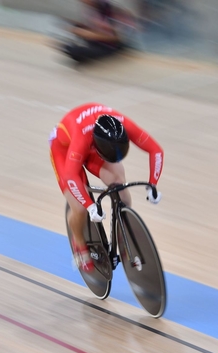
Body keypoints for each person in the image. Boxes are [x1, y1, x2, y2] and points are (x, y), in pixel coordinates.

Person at [49, 103, 164, 272]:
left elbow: (156, 150)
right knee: (79, 208)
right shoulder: (81, 137)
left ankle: (122, 236)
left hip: (93, 146)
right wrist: (90, 206)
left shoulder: (122, 124)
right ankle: (79, 243)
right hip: (64, 150)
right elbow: (70, 176)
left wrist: (152, 183)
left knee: (120, 188)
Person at [60, 0, 126, 64]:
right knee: (70, 43)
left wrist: (91, 35)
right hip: (95, 40)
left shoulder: (108, 8)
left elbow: (118, 38)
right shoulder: (88, 9)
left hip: (108, 46)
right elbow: (92, 25)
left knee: (75, 51)